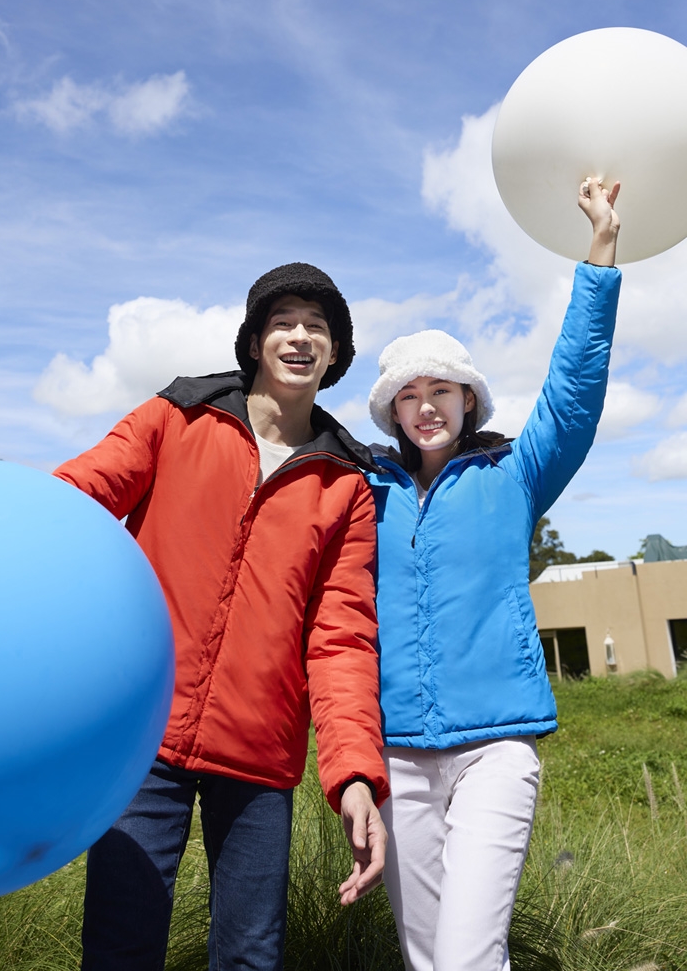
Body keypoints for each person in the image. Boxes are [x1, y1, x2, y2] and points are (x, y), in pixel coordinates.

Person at [54, 262, 389, 971]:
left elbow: (343, 640)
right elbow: (73, 505)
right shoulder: (175, 417)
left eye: (318, 327)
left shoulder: (346, 485)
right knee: (119, 948)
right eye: (283, 322)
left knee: (251, 956)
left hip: (260, 756)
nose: (300, 336)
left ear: (335, 352)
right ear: (256, 340)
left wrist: (355, 773)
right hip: (146, 736)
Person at [365, 180, 621, 971]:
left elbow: (573, 395)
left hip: (496, 749)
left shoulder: (515, 473)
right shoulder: (363, 489)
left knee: (469, 956)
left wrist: (601, 255)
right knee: (425, 959)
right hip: (396, 755)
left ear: (467, 399)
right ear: (393, 411)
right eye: (409, 396)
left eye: (440, 390)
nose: (425, 407)